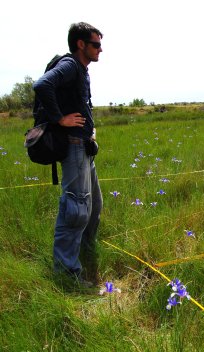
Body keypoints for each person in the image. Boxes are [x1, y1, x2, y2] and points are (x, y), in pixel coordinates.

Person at [33, 22, 104, 288]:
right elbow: (42, 85)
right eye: (95, 44)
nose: (100, 49)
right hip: (73, 146)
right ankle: (66, 274)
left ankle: (86, 249)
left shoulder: (82, 70)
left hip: (84, 145)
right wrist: (59, 119)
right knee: (76, 209)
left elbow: (81, 103)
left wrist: (90, 128)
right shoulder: (70, 65)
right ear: (80, 45)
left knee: (94, 206)